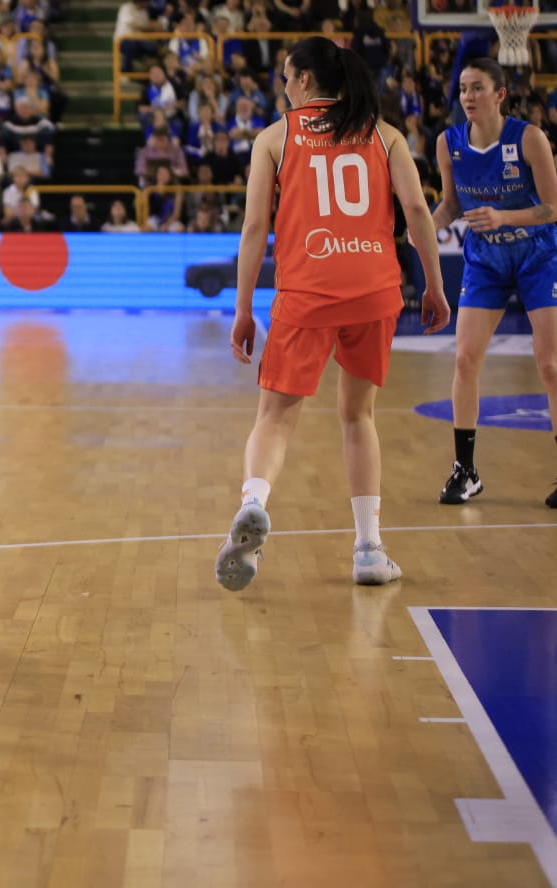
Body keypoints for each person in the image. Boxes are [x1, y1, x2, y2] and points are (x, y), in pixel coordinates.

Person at [216, 37, 450, 592]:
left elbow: (254, 230)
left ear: (302, 81)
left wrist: (244, 307)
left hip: (307, 292)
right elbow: (417, 210)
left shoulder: (275, 138)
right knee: (358, 417)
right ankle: (369, 548)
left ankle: (254, 501)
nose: (281, 86)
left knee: (274, 417)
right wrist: (434, 286)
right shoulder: (383, 133)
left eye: (284, 77)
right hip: (374, 291)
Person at [432, 58, 557, 508]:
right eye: (463, 88)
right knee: (464, 360)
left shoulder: (528, 138)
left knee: (550, 365)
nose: (467, 96)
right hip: (485, 260)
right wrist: (425, 226)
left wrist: (505, 215)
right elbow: (449, 205)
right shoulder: (448, 143)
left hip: (539, 255)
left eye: (477, 88)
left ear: (500, 94)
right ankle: (465, 471)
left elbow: (553, 208)